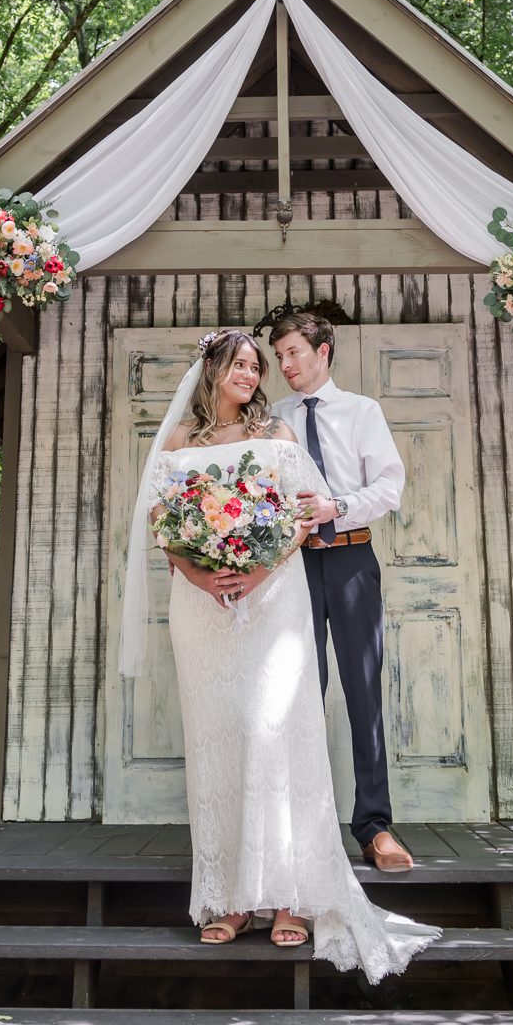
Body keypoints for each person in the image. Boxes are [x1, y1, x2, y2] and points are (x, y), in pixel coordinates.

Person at [120, 327, 437, 980]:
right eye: (239, 363)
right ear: (212, 370)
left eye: (254, 365)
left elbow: (299, 518)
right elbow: (161, 524)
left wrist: (256, 572)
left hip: (272, 600)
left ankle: (291, 896)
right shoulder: (177, 443)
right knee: (220, 739)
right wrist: (204, 575)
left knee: (276, 735)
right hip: (200, 605)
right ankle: (230, 900)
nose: (250, 373)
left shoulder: (279, 435)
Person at [269, 311, 414, 873]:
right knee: (297, 695)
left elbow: (391, 486)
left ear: (323, 351)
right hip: (289, 568)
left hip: (352, 560)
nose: (285, 365)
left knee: (362, 693)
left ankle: (375, 827)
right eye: (279, 356)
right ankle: (300, 829)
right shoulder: (271, 418)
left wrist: (338, 507)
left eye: (294, 353)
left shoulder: (362, 412)